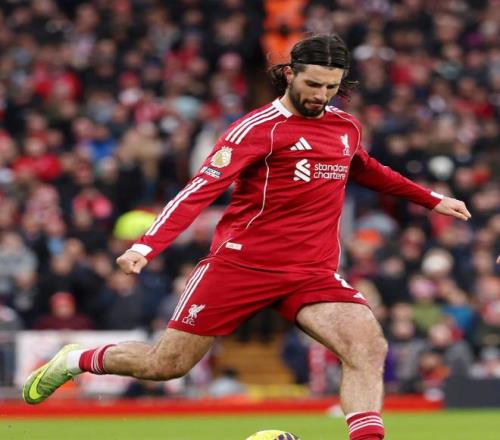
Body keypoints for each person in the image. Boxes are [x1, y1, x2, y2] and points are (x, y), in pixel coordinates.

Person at [22, 34, 471, 440]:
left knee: (367, 346)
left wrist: (431, 199)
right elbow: (200, 189)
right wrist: (146, 246)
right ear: (289, 73)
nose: (321, 95)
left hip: (311, 271)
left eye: (331, 87)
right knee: (166, 365)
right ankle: (76, 359)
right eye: (313, 84)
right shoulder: (257, 129)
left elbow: (366, 168)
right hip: (240, 265)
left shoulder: (344, 126)